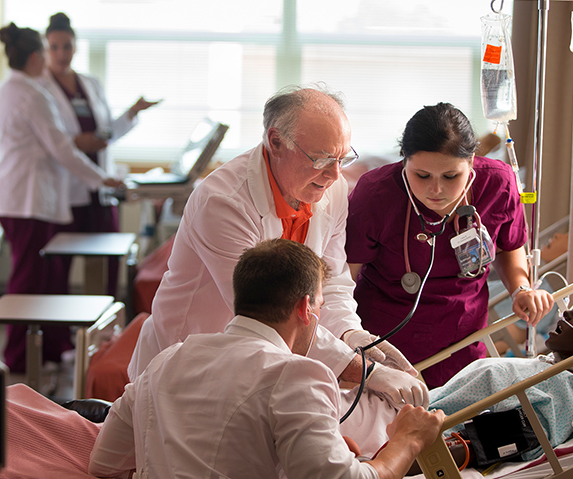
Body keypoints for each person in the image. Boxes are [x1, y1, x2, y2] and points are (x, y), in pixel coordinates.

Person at [89, 239, 448, 479]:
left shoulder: (165, 361)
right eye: (321, 306)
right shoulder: (295, 375)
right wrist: (407, 439)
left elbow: (105, 462)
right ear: (306, 308)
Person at [128, 84, 429, 409]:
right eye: (323, 158)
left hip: (260, 365)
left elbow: (332, 282)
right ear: (276, 142)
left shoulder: (333, 189)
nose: (334, 174)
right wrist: (366, 372)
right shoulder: (223, 203)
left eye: (343, 157)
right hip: (189, 365)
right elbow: (271, 315)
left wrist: (353, 337)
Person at [345, 103, 555, 388]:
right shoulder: (375, 194)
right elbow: (345, 276)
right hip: (384, 343)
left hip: (462, 339)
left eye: (450, 176)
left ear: (471, 162)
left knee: (456, 423)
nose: (436, 190)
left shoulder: (498, 184)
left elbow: (509, 246)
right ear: (403, 159)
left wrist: (520, 288)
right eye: (421, 176)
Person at [0, 23, 122, 374]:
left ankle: (46, 350)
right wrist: (102, 178)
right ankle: (17, 356)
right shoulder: (33, 95)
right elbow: (62, 148)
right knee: (30, 280)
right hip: (30, 200)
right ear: (36, 56)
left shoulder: (1, 91)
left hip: (10, 197)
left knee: (40, 277)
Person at [429, 287, 573, 457]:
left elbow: (510, 437)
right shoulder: (552, 370)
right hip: (416, 412)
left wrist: (409, 449)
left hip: (423, 432)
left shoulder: (567, 393)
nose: (568, 313)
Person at [43, 12, 159, 297]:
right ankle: (62, 330)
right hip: (67, 190)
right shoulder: (40, 89)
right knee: (60, 266)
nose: (61, 53)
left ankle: (105, 325)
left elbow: (106, 133)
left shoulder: (90, 83)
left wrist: (131, 113)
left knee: (109, 259)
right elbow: (49, 140)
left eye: (67, 46)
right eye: (54, 47)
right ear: (45, 49)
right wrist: (75, 142)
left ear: (75, 47)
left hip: (100, 188)